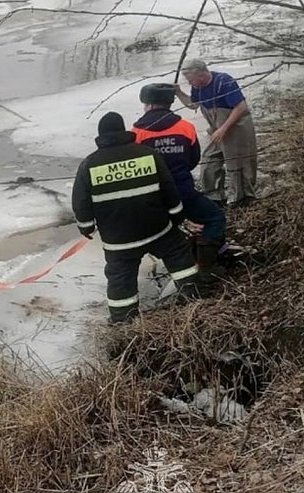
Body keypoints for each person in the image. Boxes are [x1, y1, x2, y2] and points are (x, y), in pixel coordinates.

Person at [72, 112, 199, 324]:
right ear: (123, 131)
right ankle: (194, 301)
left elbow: (80, 203)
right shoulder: (147, 154)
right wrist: (176, 216)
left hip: (119, 241)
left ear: (101, 135)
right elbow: (169, 190)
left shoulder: (89, 165)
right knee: (180, 258)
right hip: (157, 228)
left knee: (120, 279)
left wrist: (86, 227)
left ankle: (123, 323)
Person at [132, 83, 227, 288]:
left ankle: (188, 258)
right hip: (183, 192)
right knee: (214, 218)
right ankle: (206, 268)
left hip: (152, 197)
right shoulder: (185, 127)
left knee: (168, 231)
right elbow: (193, 159)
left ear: (147, 104)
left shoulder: (137, 133)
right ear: (170, 103)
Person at [175, 59, 257, 207]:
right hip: (216, 128)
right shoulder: (197, 86)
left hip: (236, 127)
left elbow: (241, 107)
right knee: (209, 158)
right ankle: (213, 195)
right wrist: (179, 93)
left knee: (236, 162)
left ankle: (240, 198)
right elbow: (193, 104)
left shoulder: (224, 81)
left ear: (201, 73)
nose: (190, 83)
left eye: (191, 79)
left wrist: (224, 128)